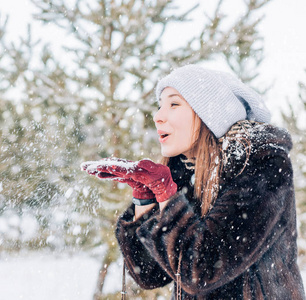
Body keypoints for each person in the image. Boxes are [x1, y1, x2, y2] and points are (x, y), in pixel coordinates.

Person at [81, 65, 306, 299]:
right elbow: (149, 273)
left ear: (209, 112)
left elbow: (202, 269)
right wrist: (145, 199)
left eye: (174, 104)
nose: (158, 115)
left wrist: (166, 195)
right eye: (160, 105)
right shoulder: (183, 170)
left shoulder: (262, 166)